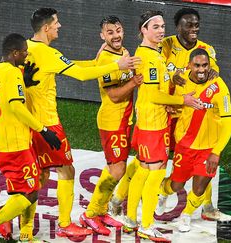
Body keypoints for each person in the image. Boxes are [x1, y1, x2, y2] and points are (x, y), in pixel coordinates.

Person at [25, 8, 141, 238]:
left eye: (118, 30)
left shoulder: (28, 48)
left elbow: (73, 66)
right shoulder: (47, 53)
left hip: (30, 122)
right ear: (46, 27)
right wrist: (116, 66)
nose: (59, 26)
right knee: (66, 171)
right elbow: (80, 74)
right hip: (47, 123)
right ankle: (70, 221)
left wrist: (100, 63)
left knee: (41, 176)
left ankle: (8, 215)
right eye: (56, 23)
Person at [0, 33, 60, 243]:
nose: (27, 56)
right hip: (16, 145)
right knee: (29, 192)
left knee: (25, 191)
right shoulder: (12, 73)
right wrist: (43, 130)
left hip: (1, 141)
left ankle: (26, 236)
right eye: (24, 52)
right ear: (14, 53)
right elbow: (16, 106)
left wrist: (23, 84)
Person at [121, 10, 202, 242]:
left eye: (163, 26)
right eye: (155, 26)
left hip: (146, 120)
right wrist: (182, 100)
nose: (161, 30)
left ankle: (130, 220)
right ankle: (147, 226)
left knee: (143, 171)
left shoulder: (147, 53)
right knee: (155, 174)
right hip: (154, 124)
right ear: (143, 30)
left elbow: (152, 88)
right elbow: (155, 94)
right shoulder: (151, 57)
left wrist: (175, 76)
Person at [156, 7, 231, 223]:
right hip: (168, 112)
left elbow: (212, 75)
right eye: (189, 25)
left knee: (203, 167)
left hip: (192, 114)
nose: (194, 29)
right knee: (159, 163)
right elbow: (157, 71)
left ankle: (206, 207)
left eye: (196, 25)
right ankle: (155, 193)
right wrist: (172, 78)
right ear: (178, 26)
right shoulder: (167, 44)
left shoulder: (206, 49)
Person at [76, 16, 143, 236]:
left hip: (124, 119)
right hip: (111, 120)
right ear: (102, 35)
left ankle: (102, 210)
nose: (116, 35)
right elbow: (113, 95)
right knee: (118, 169)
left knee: (117, 167)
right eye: (110, 32)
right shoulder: (107, 59)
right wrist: (134, 82)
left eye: (118, 30)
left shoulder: (123, 52)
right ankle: (91, 213)